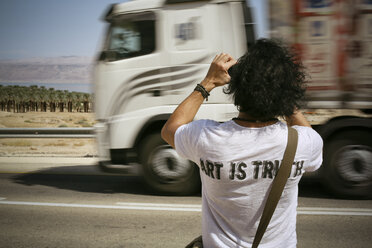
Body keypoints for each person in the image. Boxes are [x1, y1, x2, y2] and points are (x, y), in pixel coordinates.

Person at [161, 39, 323, 248]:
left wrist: (208, 82)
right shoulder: (302, 143)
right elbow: (308, 137)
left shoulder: (207, 138)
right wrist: (283, 94)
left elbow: (169, 130)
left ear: (236, 87)